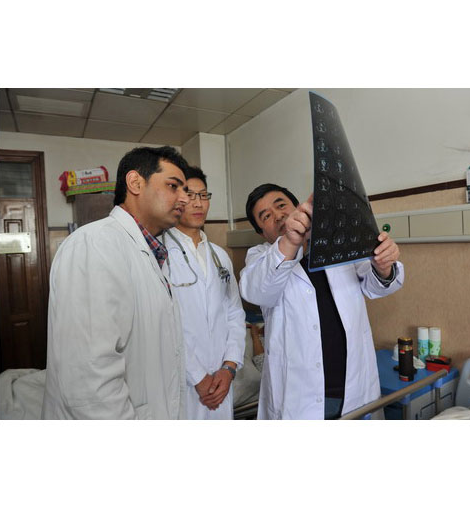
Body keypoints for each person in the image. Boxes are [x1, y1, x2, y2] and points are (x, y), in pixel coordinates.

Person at [41, 146, 191, 419]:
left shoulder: (150, 251)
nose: (184, 198)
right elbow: (89, 379)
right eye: (173, 186)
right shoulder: (96, 243)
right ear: (135, 183)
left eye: (185, 190)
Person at [239, 183, 404, 420]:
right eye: (266, 216)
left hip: (354, 385)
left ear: (298, 207)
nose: (278, 216)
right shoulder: (260, 259)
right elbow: (256, 291)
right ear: (262, 233)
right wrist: (290, 242)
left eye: (281, 205)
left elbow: (375, 284)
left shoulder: (337, 241)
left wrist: (383, 265)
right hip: (301, 397)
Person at [163, 166, 246, 419]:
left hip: (221, 382)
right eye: (190, 195)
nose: (198, 203)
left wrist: (229, 367)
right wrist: (198, 377)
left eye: (203, 195)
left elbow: (234, 313)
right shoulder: (160, 254)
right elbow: (163, 323)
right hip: (182, 383)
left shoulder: (220, 256)